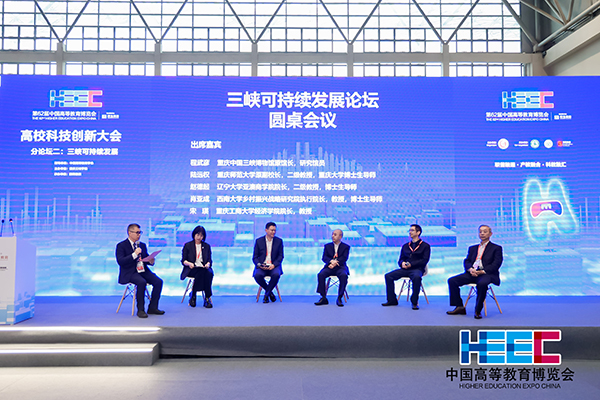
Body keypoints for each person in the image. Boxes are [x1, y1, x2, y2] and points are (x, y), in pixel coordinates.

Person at [446, 225, 503, 319]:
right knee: (452, 281)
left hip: (487, 274)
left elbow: (496, 264)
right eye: (480, 232)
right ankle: (459, 307)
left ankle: (478, 310)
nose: (482, 234)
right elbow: (467, 261)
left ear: (490, 234)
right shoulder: (472, 248)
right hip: (472, 273)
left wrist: (482, 271)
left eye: (485, 232)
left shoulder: (496, 248)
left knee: (482, 284)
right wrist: (470, 269)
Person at [115, 223, 164, 318]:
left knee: (158, 281)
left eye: (140, 232)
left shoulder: (142, 245)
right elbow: (121, 261)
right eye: (137, 232)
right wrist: (134, 254)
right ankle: (141, 310)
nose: (139, 235)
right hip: (129, 272)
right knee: (141, 282)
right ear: (130, 233)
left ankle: (153, 308)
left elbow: (145, 258)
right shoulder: (121, 245)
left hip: (143, 270)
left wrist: (151, 261)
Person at [382, 224, 431, 310]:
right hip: (405, 270)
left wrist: (412, 264)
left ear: (418, 232)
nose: (410, 232)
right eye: (409, 230)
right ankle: (392, 300)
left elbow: (424, 260)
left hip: (417, 269)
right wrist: (402, 263)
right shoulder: (405, 246)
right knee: (388, 276)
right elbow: (400, 259)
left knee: (416, 277)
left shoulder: (425, 246)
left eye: (412, 230)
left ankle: (414, 302)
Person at [315, 229, 351, 307]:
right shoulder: (327, 246)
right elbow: (324, 258)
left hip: (340, 267)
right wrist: (331, 261)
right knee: (320, 275)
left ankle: (339, 298)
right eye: (332, 234)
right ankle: (323, 297)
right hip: (329, 267)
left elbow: (344, 258)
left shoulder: (346, 247)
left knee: (343, 276)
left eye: (335, 234)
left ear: (340, 236)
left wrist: (335, 263)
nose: (332, 236)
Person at [181, 225, 214, 308]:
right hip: (191, 268)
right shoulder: (188, 245)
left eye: (201, 235)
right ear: (194, 234)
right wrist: (189, 263)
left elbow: (209, 260)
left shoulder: (206, 246)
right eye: (198, 235)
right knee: (202, 273)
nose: (199, 237)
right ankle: (207, 298)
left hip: (203, 268)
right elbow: (183, 260)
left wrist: (208, 264)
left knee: (208, 273)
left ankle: (194, 295)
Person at [252, 222, 284, 303]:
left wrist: (274, 265)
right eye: (271, 230)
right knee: (257, 275)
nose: (273, 232)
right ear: (266, 230)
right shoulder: (259, 241)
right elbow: (255, 257)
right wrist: (259, 265)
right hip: (262, 265)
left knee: (276, 275)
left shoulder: (279, 241)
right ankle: (270, 293)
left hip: (274, 266)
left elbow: (280, 256)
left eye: (275, 230)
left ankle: (266, 295)